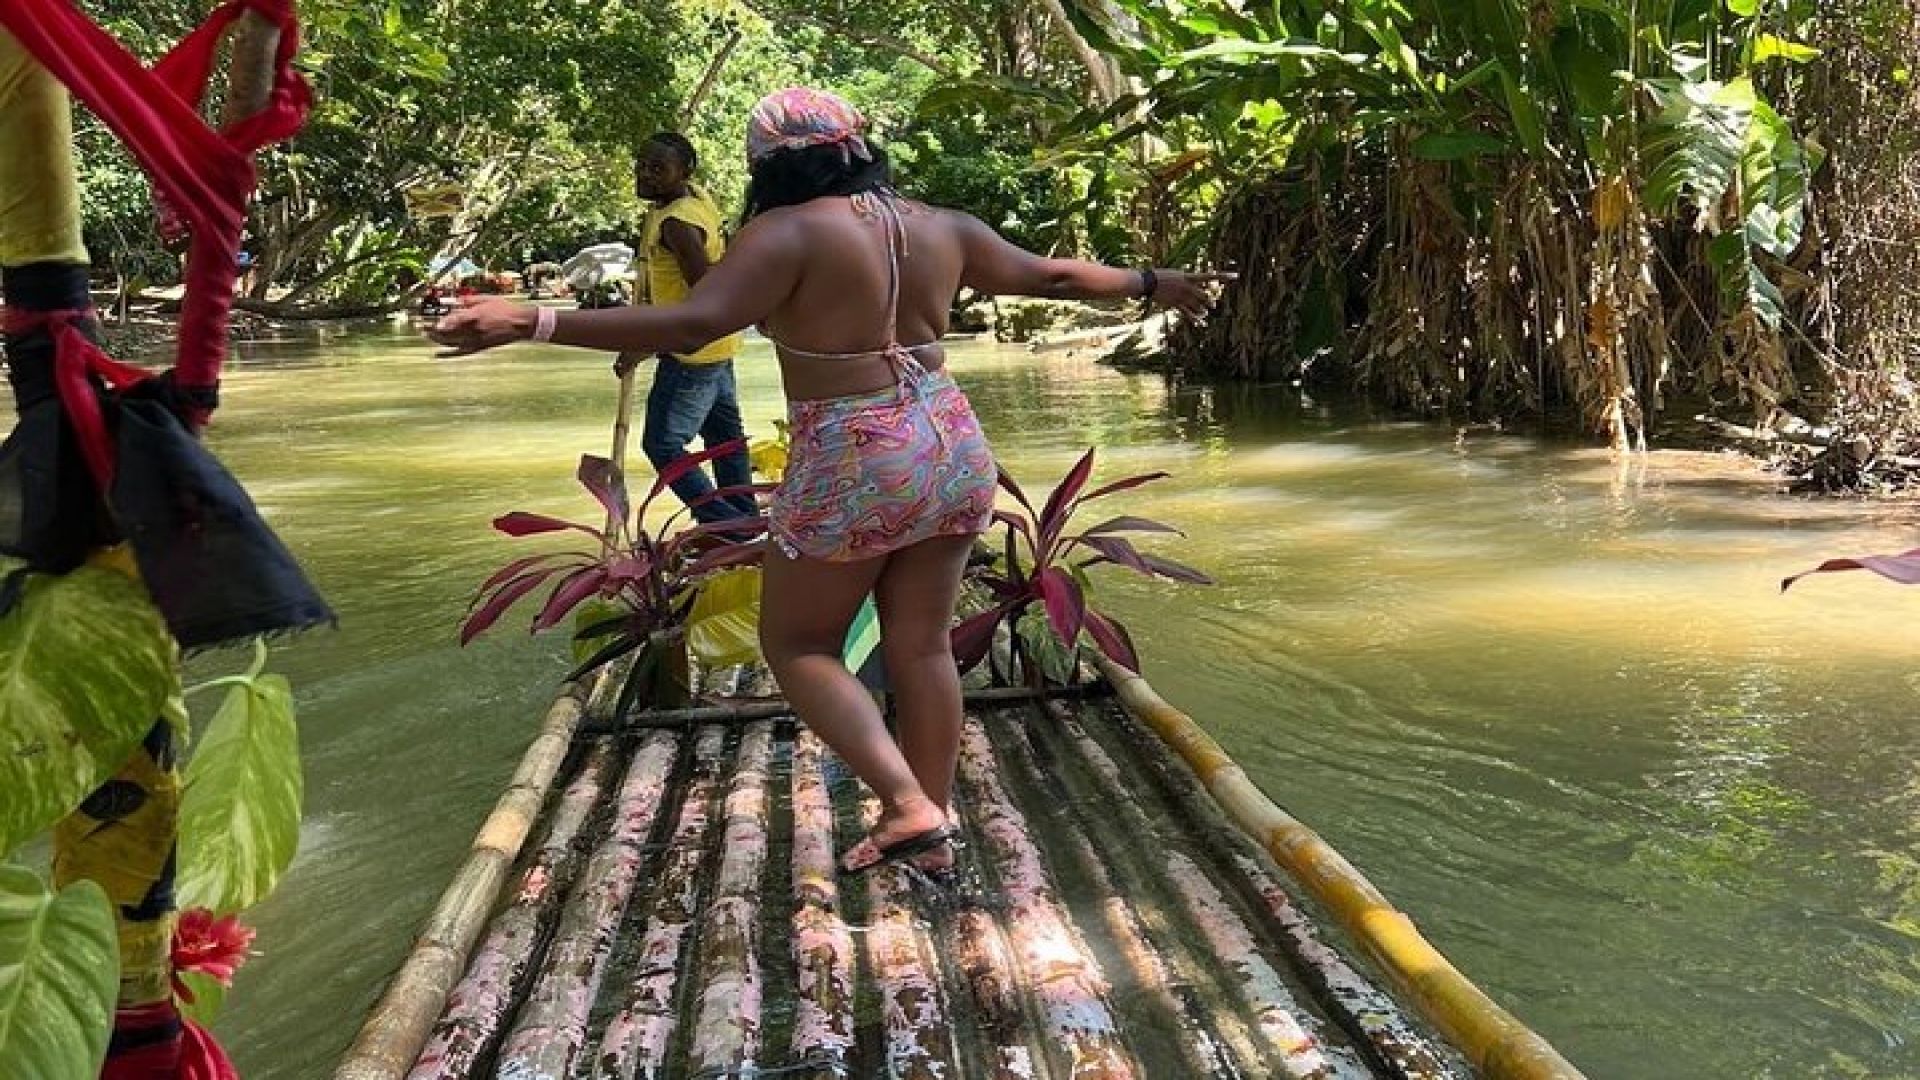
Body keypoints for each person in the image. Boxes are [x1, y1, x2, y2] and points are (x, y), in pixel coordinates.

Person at [431, 88, 1230, 879]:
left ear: (768, 165)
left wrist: (528, 321)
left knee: (800, 644)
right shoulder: (941, 226)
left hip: (854, 451)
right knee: (921, 647)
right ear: (858, 146)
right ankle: (931, 829)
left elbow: (691, 325)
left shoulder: (781, 233)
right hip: (949, 442)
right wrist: (1155, 282)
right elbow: (1051, 276)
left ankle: (904, 800)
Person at [625, 131, 754, 523]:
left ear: (685, 172)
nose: (645, 174)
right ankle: (745, 517)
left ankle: (724, 524)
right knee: (725, 440)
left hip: (690, 351)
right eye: (643, 164)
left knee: (663, 446)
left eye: (658, 168)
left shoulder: (677, 224)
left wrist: (640, 345)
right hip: (719, 347)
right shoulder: (692, 200)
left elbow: (705, 291)